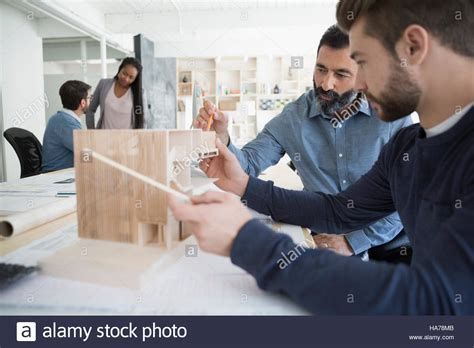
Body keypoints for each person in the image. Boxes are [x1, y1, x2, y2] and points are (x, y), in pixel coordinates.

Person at [169, 0, 474, 314]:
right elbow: (338, 210)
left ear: (413, 47)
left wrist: (247, 242)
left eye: (362, 63)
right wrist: (244, 185)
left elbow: (435, 304)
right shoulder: (406, 148)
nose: (355, 84)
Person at [194, 25, 412, 259]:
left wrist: (353, 242)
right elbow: (246, 167)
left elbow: (407, 197)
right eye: (321, 69)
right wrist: (223, 136)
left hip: (388, 242)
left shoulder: (392, 117)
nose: (326, 84)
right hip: (322, 238)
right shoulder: (294, 117)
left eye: (341, 74)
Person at [42, 80, 91, 172]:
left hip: (62, 173)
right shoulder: (66, 122)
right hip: (57, 176)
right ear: (83, 102)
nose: (91, 101)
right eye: (89, 98)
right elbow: (87, 153)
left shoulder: (61, 118)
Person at [86, 57, 144, 129]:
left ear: (135, 79)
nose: (126, 79)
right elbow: (90, 109)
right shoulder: (103, 84)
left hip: (129, 139)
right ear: (120, 69)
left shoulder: (139, 93)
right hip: (104, 138)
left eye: (131, 77)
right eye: (124, 73)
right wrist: (92, 131)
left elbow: (142, 120)